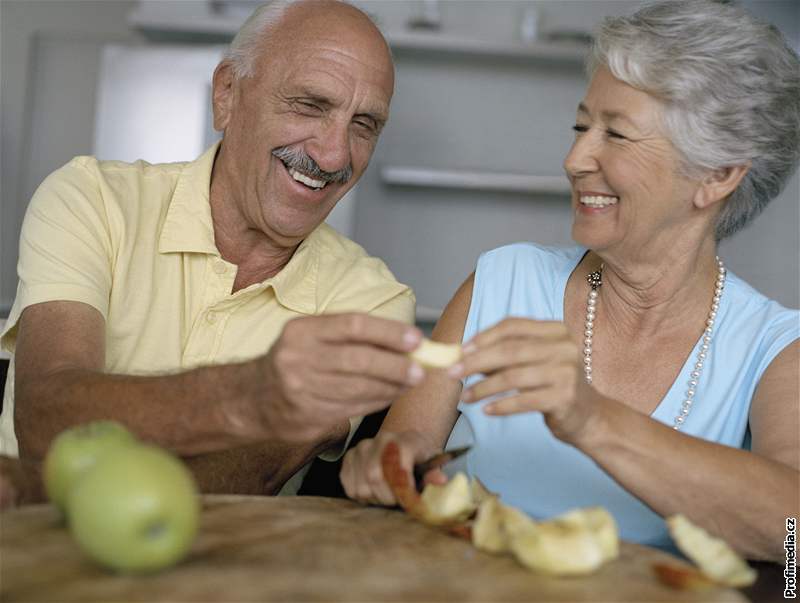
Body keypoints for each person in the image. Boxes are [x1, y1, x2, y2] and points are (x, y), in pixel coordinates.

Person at [341, 0, 799, 562]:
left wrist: (591, 417)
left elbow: (795, 544)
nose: (575, 158)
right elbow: (405, 448)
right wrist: (386, 464)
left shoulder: (776, 349)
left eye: (617, 135)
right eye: (582, 126)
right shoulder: (502, 279)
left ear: (718, 175)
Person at [0, 0, 428, 505]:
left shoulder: (374, 300)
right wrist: (256, 392)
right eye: (310, 105)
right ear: (227, 94)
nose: (334, 155)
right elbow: (47, 420)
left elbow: (254, 475)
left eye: (363, 125)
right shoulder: (92, 198)